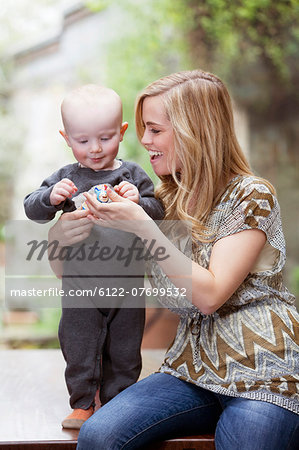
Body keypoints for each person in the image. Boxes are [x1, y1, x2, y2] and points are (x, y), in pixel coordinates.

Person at [73, 70, 299, 449]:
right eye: (143, 128)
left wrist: (144, 228)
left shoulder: (250, 195)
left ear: (195, 130)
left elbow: (210, 295)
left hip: (265, 370)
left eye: (155, 129)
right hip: (191, 369)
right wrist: (64, 235)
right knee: (99, 437)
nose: (143, 140)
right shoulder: (162, 201)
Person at [23, 84, 164, 429]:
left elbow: (158, 209)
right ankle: (83, 402)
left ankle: (119, 403)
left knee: (126, 350)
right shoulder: (65, 178)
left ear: (122, 132)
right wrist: (51, 197)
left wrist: (138, 202)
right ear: (67, 138)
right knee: (79, 344)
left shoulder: (131, 175)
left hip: (127, 286)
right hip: (80, 286)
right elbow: (32, 208)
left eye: (106, 137)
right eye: (83, 141)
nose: (96, 148)